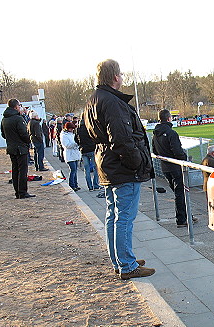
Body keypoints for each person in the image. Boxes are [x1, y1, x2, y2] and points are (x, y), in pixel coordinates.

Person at [83, 58, 155, 280]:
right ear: (115, 77)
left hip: (107, 164)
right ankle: (126, 264)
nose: (122, 78)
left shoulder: (93, 100)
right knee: (123, 217)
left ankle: (121, 259)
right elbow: (122, 139)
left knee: (113, 215)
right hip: (121, 167)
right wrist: (137, 162)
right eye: (121, 74)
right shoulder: (112, 102)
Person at [152, 109, 197, 228]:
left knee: (178, 193)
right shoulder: (171, 133)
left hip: (165, 168)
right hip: (175, 167)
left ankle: (186, 215)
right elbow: (178, 152)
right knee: (180, 193)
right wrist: (184, 158)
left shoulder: (155, 134)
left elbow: (155, 151)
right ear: (168, 119)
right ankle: (181, 219)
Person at [0, 98, 34, 199]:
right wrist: (28, 141)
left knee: (15, 171)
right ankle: (22, 192)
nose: (20, 108)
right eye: (19, 106)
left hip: (11, 147)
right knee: (22, 171)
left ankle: (17, 192)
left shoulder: (4, 119)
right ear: (16, 107)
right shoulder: (18, 119)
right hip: (20, 148)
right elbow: (23, 134)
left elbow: (3, 134)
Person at [76, 119, 101, 192]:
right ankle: (95, 184)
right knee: (96, 168)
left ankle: (90, 186)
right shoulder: (89, 127)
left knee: (86, 169)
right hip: (92, 149)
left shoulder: (78, 130)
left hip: (83, 150)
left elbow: (76, 140)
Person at [61, 122, 81, 191]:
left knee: (75, 170)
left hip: (74, 153)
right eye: (71, 129)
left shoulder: (72, 134)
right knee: (73, 170)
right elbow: (67, 145)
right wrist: (75, 143)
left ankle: (75, 184)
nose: (72, 130)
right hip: (69, 154)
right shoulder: (64, 135)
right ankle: (71, 185)